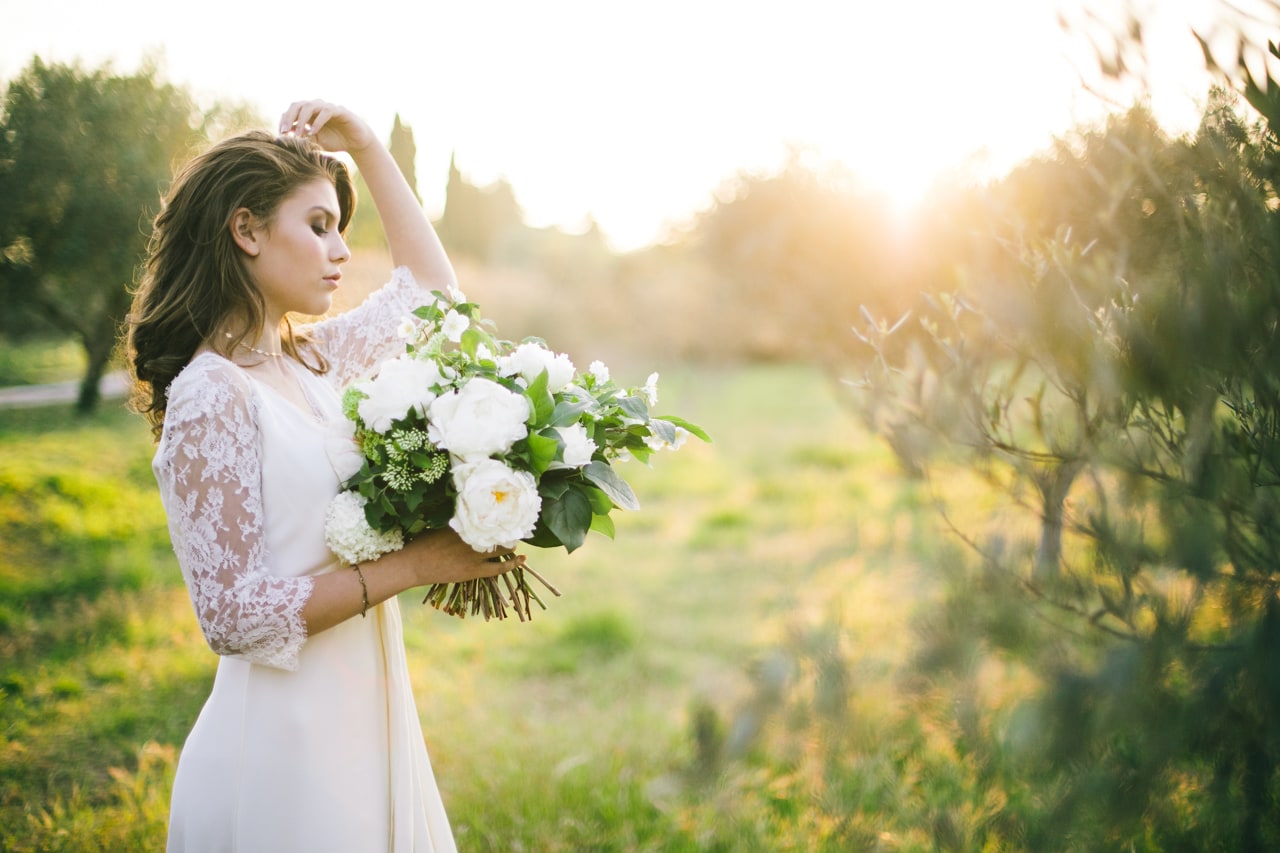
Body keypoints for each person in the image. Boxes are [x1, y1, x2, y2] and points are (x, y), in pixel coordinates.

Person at [127, 100, 512, 852]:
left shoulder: (310, 360)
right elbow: (232, 616)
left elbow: (435, 297)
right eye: (318, 225)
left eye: (341, 226)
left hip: (358, 710)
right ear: (246, 230)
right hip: (282, 743)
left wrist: (368, 145)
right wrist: (417, 564)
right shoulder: (212, 392)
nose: (340, 250)